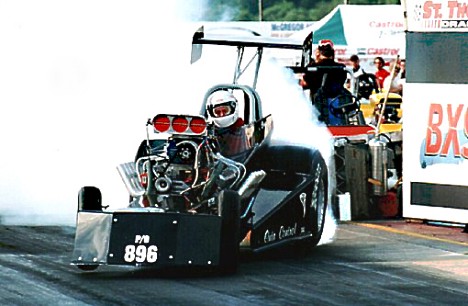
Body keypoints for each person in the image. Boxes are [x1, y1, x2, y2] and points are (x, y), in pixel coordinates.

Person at [300, 40, 350, 125]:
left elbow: (304, 84)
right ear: (332, 52)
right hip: (338, 109)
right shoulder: (341, 68)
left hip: (319, 108)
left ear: (318, 52)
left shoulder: (312, 68)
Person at [206, 90, 249, 158]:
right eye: (217, 112)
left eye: (225, 111)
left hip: (241, 163)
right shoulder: (209, 131)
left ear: (233, 108)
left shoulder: (243, 128)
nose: (222, 114)